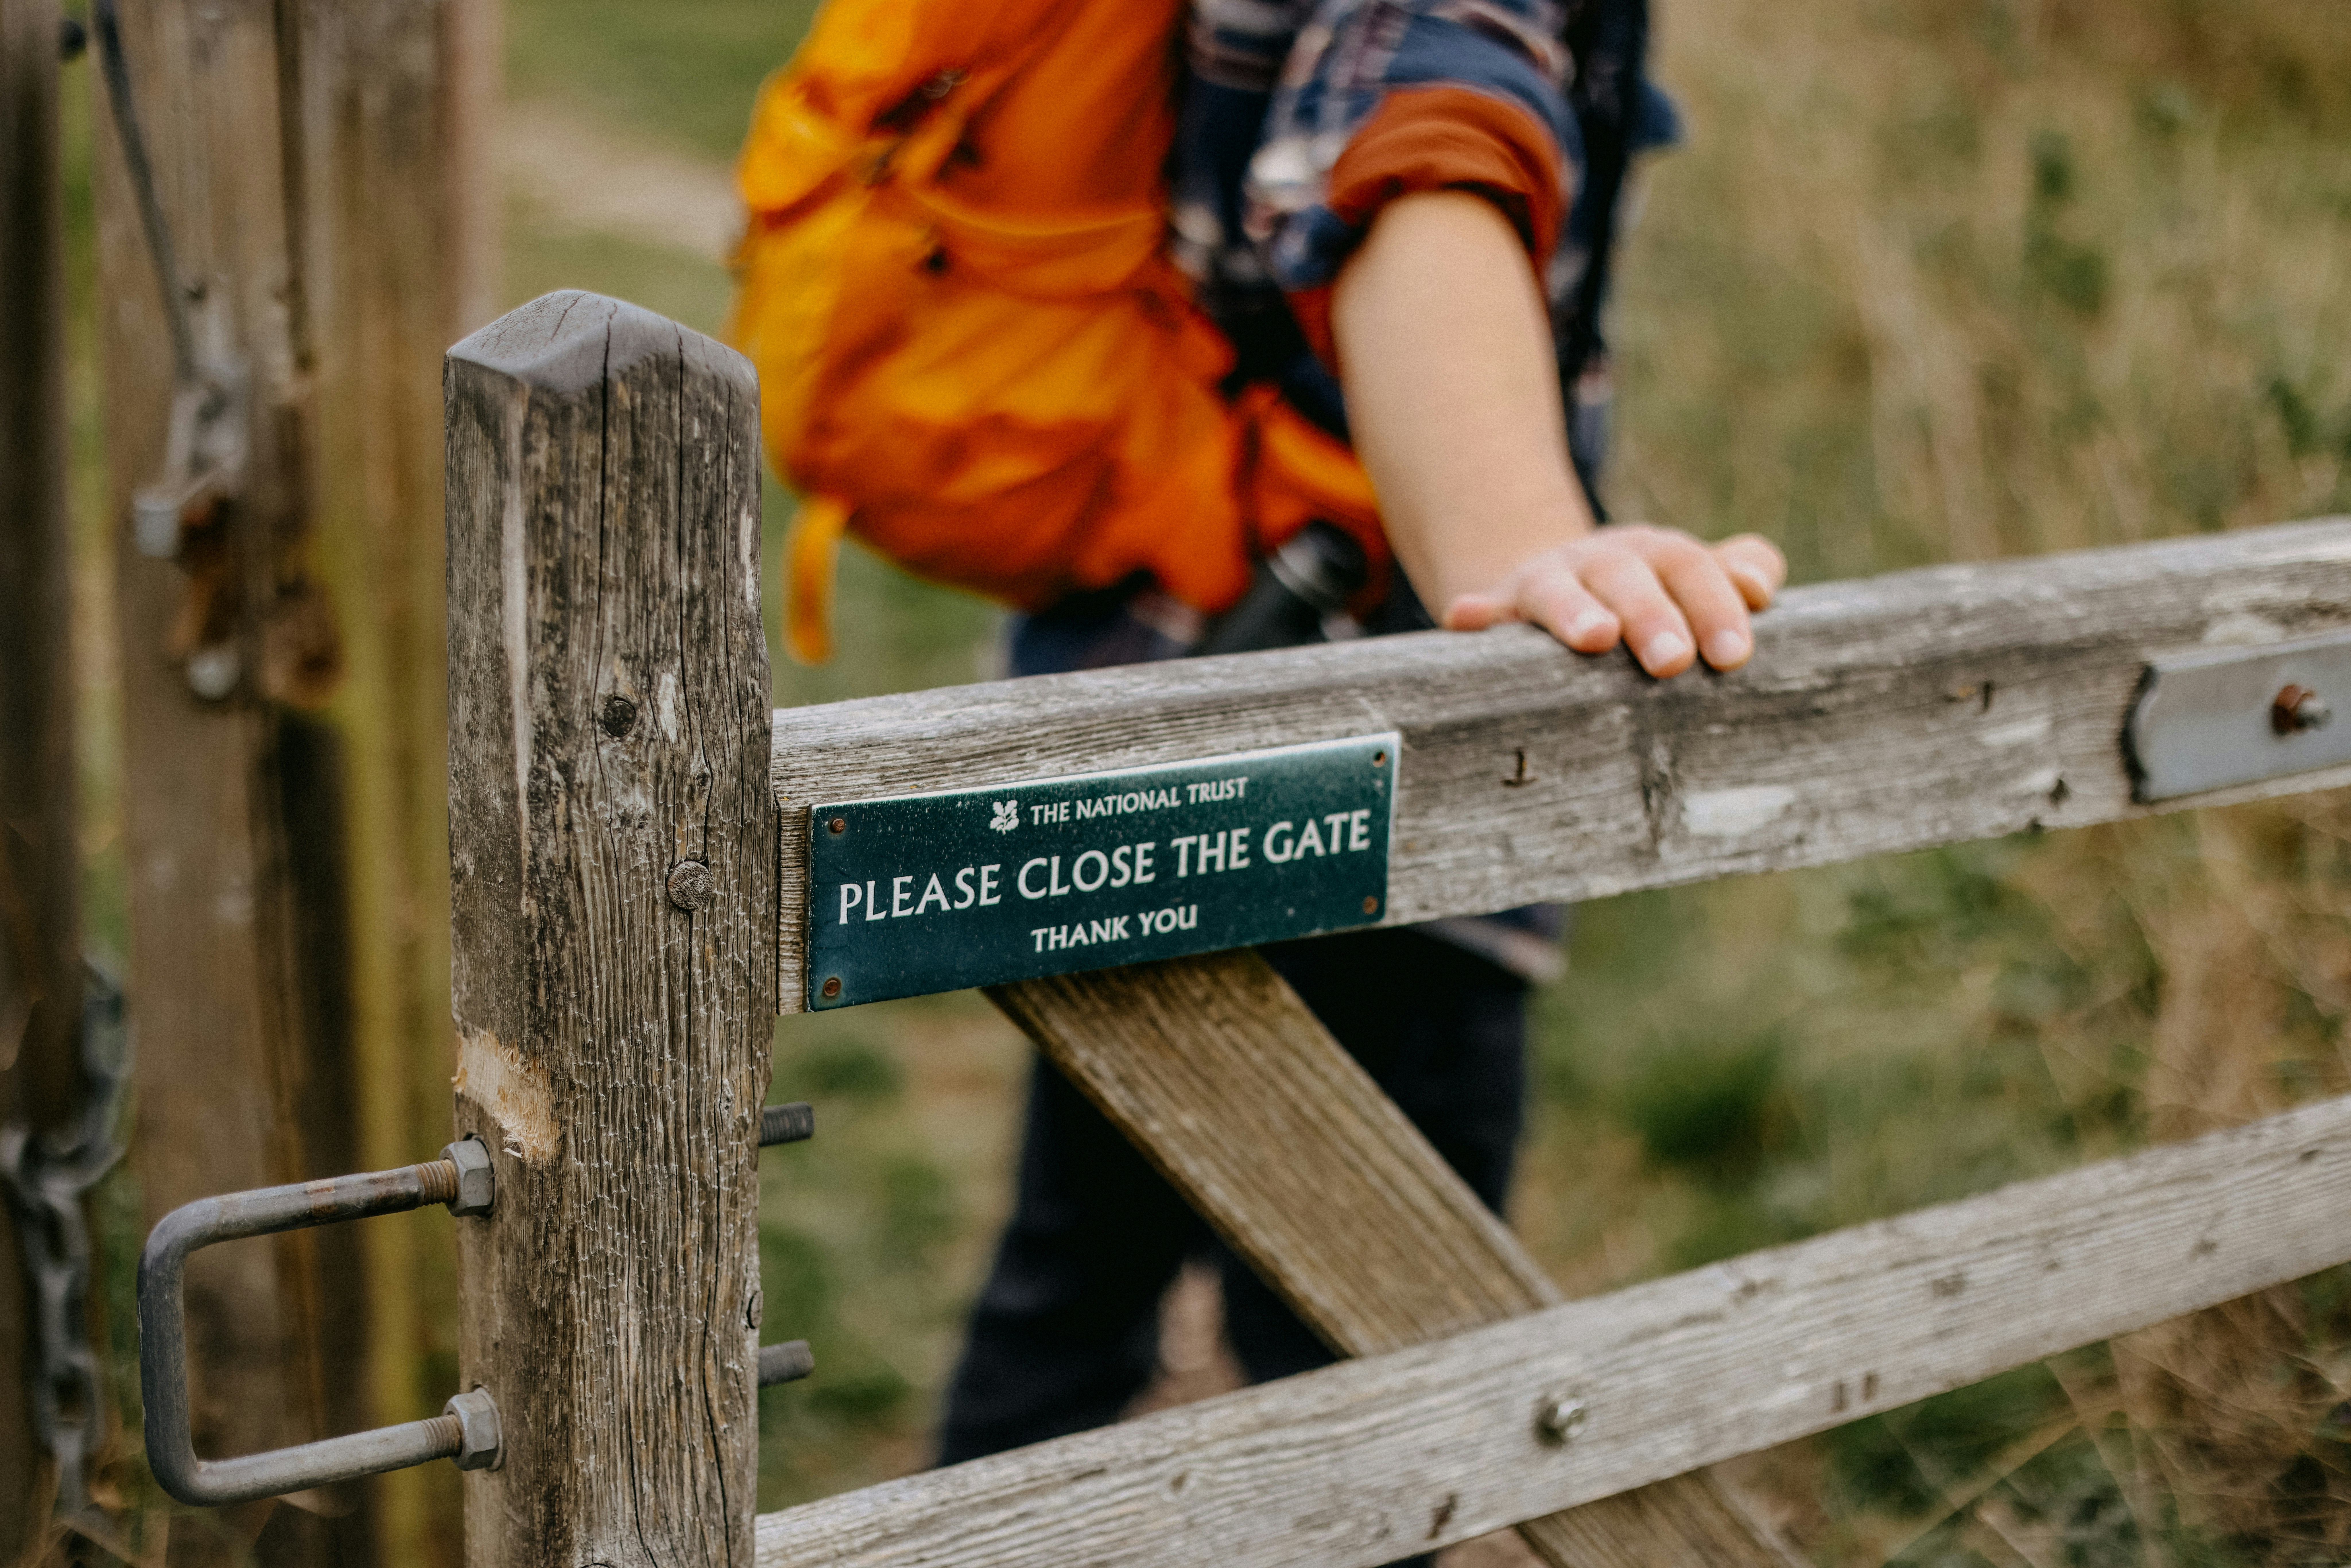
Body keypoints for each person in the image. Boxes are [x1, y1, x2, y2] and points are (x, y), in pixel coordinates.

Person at [728, 0, 1783, 1549]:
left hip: (1135, 702)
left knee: (1067, 1290)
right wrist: (1522, 540)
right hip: (1382, 766)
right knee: (1369, 1369)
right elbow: (1413, 127)